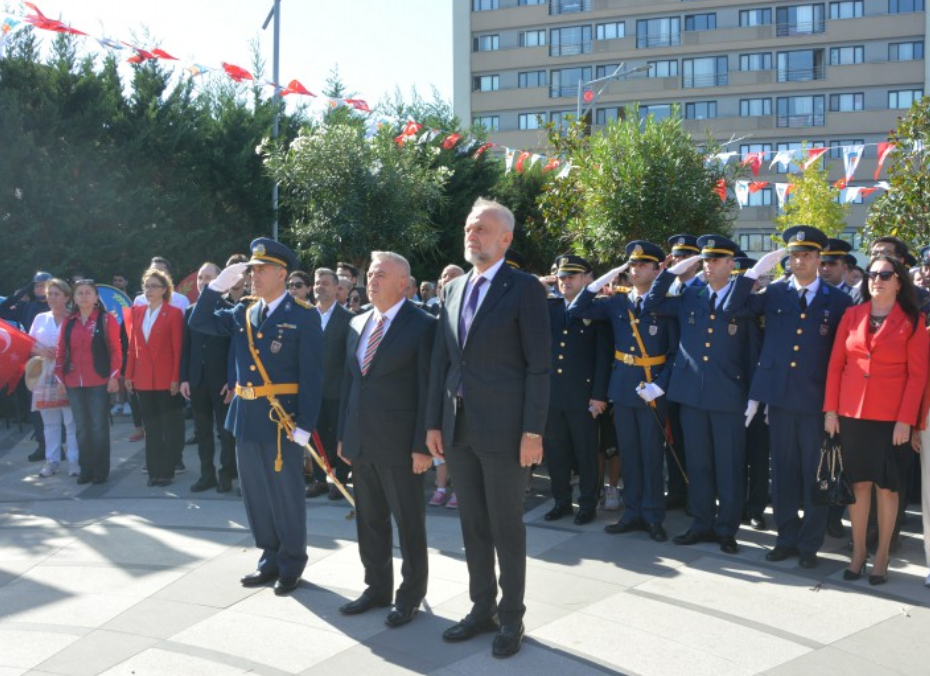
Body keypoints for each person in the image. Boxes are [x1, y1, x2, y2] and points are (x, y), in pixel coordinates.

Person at [426, 197, 550, 658]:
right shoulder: (453, 290)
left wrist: (532, 431)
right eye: (468, 226)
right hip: (458, 429)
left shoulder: (523, 289)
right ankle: (482, 609)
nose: (471, 234)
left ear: (505, 238)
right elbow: (443, 361)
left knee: (505, 527)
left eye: (481, 228)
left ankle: (511, 617)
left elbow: (539, 366)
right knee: (473, 525)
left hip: (506, 432)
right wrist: (434, 424)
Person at [190, 238, 323, 596]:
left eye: (261, 270)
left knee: (286, 494)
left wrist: (306, 425)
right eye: (252, 270)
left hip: (283, 419)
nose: (253, 276)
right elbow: (199, 321)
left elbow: (313, 376)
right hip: (246, 415)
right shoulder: (244, 311)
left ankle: (292, 561)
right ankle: (269, 557)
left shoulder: (303, 315)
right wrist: (216, 287)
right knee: (256, 493)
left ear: (282, 273)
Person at [728, 227, 853, 568]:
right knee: (782, 473)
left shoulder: (839, 300)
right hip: (780, 399)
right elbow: (734, 304)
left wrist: (835, 406)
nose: (800, 261)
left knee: (815, 475)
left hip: (815, 402)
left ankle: (809, 545)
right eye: (794, 255)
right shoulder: (775, 292)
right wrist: (753, 273)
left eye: (808, 255)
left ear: (818, 259)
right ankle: (785, 538)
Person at [336, 251, 436, 627]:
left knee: (409, 524)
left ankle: (410, 595)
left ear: (403, 283)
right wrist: (347, 435)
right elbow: (351, 383)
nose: (371, 281)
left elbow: (428, 389)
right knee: (369, 520)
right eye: (370, 274)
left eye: (380, 274)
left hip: (401, 446)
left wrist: (423, 446)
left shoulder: (423, 325)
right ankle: (376, 587)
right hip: (362, 441)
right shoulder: (358, 323)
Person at [643, 235, 757, 555]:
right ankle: (701, 522)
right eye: (706, 260)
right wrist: (670, 272)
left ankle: (726, 528)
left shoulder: (742, 298)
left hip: (729, 396)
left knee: (729, 465)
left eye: (716, 260)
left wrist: (752, 396)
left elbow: (751, 351)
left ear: (731, 264)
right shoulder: (690, 295)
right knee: (699, 463)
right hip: (691, 395)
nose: (709, 265)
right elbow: (652, 303)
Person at [824, 255, 928, 585]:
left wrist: (905, 420)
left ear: (899, 282)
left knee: (887, 488)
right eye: (872, 274)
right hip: (852, 415)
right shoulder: (852, 315)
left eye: (885, 274)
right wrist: (831, 411)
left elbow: (918, 376)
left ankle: (881, 554)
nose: (877, 280)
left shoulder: (913, 320)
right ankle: (858, 553)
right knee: (858, 485)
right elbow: (836, 365)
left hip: (891, 419)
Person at [571, 243, 675, 540]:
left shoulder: (667, 304)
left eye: (643, 265)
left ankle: (653, 516)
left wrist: (660, 385)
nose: (635, 269)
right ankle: (632, 514)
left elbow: (675, 353)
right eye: (631, 265)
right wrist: (608, 276)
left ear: (657, 270)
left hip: (652, 388)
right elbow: (577, 307)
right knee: (629, 453)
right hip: (624, 387)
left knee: (652, 454)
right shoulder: (616, 302)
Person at [538, 254, 611, 526]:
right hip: (553, 395)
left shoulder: (597, 309)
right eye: (561, 276)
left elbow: (603, 357)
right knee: (556, 452)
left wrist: (600, 395)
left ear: (585, 279)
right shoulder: (550, 307)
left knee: (586, 453)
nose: (565, 281)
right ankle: (561, 501)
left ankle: (588, 504)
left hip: (584, 396)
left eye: (572, 276)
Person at [54, 280, 121, 485]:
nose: (84, 296)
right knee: (81, 427)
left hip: (99, 380)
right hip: (73, 381)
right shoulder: (69, 321)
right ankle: (86, 469)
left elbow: (116, 350)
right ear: (73, 298)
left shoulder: (106, 319)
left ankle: (101, 471)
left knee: (99, 426)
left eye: (88, 292)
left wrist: (114, 376)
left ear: (95, 297)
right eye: (79, 293)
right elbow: (60, 350)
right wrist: (59, 377)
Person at [125, 268, 185, 487]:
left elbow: (178, 349)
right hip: (143, 379)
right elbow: (133, 347)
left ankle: (167, 471)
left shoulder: (174, 313)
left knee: (168, 427)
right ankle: (153, 471)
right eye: (146, 286)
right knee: (151, 428)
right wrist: (128, 374)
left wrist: (175, 377)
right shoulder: (137, 312)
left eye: (154, 286)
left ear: (164, 290)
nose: (149, 290)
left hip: (165, 378)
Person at [181, 263, 236, 493]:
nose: (203, 282)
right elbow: (186, 348)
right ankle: (207, 474)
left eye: (209, 277)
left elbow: (235, 350)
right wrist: (184, 378)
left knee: (225, 432)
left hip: (222, 382)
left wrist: (232, 381)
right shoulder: (190, 311)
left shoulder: (231, 310)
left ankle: (226, 473)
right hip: (197, 381)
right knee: (202, 431)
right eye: (200, 278)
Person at [664, 235, 705, 512]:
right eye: (676, 257)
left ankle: (696, 495)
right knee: (672, 438)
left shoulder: (703, 288)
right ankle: (676, 491)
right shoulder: (668, 288)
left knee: (695, 441)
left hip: (694, 374)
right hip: (667, 372)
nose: (679, 262)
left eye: (685, 257)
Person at [308, 267, 354, 500]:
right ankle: (319, 480)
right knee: (315, 436)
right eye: (317, 283)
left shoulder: (349, 319)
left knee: (339, 436)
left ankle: (341, 481)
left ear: (337, 289)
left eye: (325, 283)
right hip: (312, 390)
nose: (320, 286)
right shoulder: (306, 316)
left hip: (338, 390)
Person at [29, 279, 78, 477]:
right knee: (49, 421)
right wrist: (41, 350)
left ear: (67, 297)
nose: (52, 298)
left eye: (56, 294)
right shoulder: (41, 318)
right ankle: (52, 460)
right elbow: (30, 344)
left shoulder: (74, 318)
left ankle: (75, 461)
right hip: (44, 373)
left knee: (71, 421)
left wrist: (62, 353)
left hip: (68, 374)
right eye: (49, 294)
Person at [1, 270, 53, 461]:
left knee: (60, 407)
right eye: (37, 286)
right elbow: (3, 309)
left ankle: (61, 445)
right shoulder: (27, 307)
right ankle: (43, 445)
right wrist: (25, 289)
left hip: (58, 359)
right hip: (35, 361)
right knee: (37, 406)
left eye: (45, 285)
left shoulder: (59, 304)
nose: (42, 289)